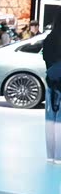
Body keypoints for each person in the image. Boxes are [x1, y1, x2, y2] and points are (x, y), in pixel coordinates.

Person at [42, 15, 61, 163]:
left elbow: (46, 59)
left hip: (52, 81)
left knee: (50, 119)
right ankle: (59, 156)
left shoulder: (49, 38)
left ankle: (51, 155)